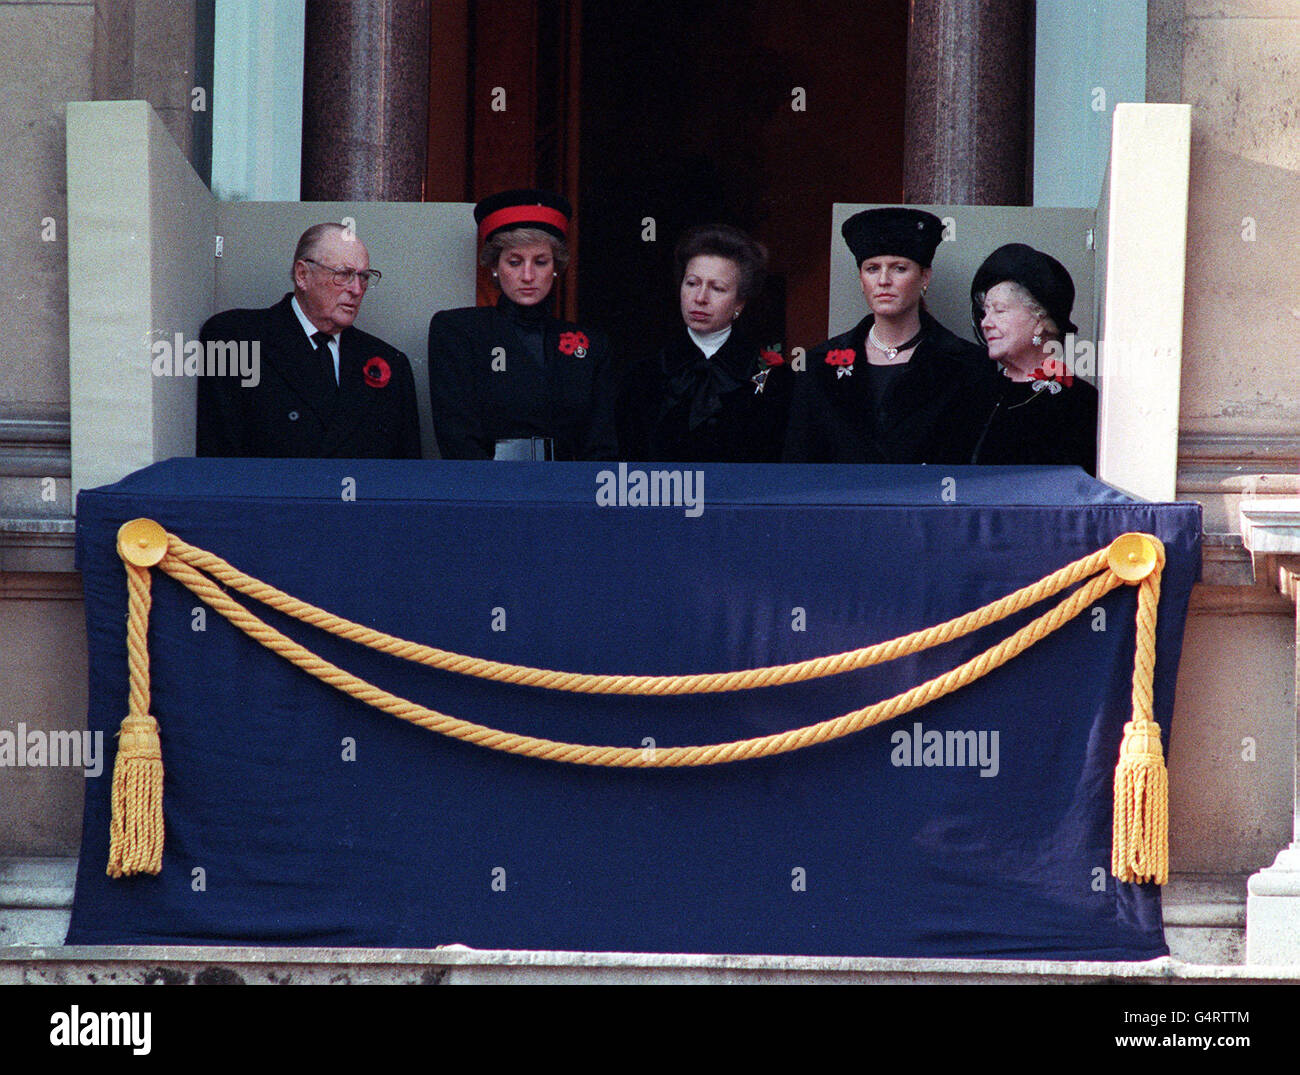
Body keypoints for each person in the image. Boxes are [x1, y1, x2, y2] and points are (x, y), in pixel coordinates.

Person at [197, 222, 421, 458]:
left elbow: (406, 477)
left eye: (363, 277)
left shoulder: (390, 363)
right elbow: (219, 461)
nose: (356, 289)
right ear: (302, 275)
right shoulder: (236, 339)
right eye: (344, 274)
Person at [782, 207, 989, 463]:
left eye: (899, 268)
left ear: (925, 277)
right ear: (861, 279)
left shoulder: (969, 366)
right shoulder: (818, 366)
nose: (883, 280)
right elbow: (799, 465)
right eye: (872, 269)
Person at [427, 190, 618, 460]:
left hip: (570, 493)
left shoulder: (592, 345)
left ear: (555, 267)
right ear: (495, 266)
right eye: (515, 262)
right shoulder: (458, 331)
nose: (528, 276)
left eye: (540, 262)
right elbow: (457, 437)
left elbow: (602, 445)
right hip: (490, 492)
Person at [623, 224, 791, 461]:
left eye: (717, 288)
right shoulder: (645, 372)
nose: (700, 298)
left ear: (739, 303)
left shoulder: (772, 376)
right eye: (692, 283)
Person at [968, 242, 1098, 474]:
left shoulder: (1082, 405)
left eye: (999, 310)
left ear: (1040, 321)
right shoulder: (972, 396)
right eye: (985, 311)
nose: (986, 323)